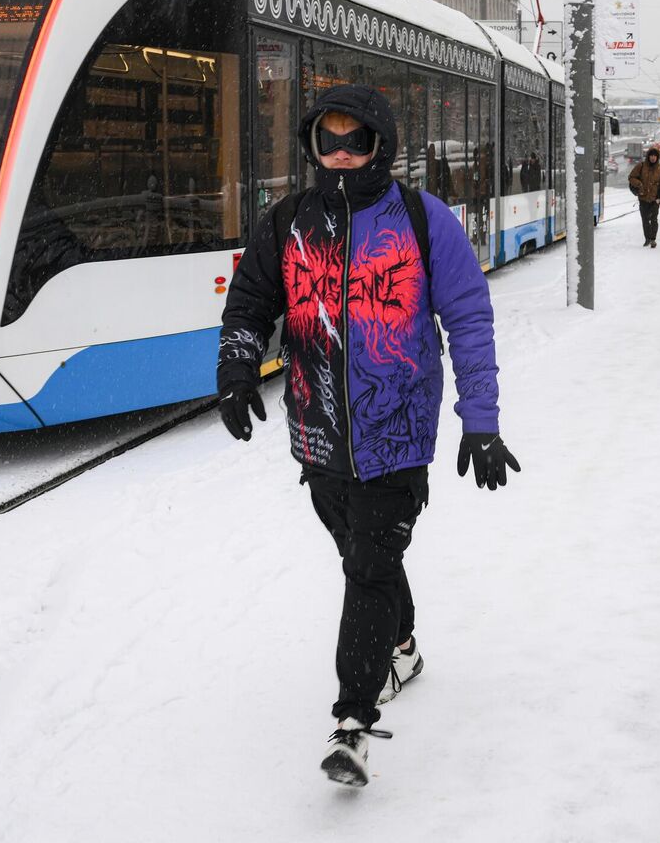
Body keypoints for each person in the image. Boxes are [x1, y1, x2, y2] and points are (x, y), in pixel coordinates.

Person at [214, 83, 520, 789]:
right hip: (319, 435)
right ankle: (403, 645)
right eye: (329, 140)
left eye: (357, 140)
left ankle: (352, 721)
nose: (342, 153)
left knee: (369, 565)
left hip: (400, 431)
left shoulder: (422, 219)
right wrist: (235, 368)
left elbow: (468, 320)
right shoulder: (287, 221)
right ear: (313, 146)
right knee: (363, 555)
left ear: (381, 144)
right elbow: (251, 300)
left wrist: (481, 419)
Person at [627, 146, 660, 247]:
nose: (653, 158)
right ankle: (647, 238)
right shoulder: (641, 166)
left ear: (657, 157)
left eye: (655, 156)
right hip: (643, 197)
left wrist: (659, 194)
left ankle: (653, 239)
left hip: (655, 198)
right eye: (651, 156)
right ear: (648, 156)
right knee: (645, 219)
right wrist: (639, 184)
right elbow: (631, 177)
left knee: (654, 219)